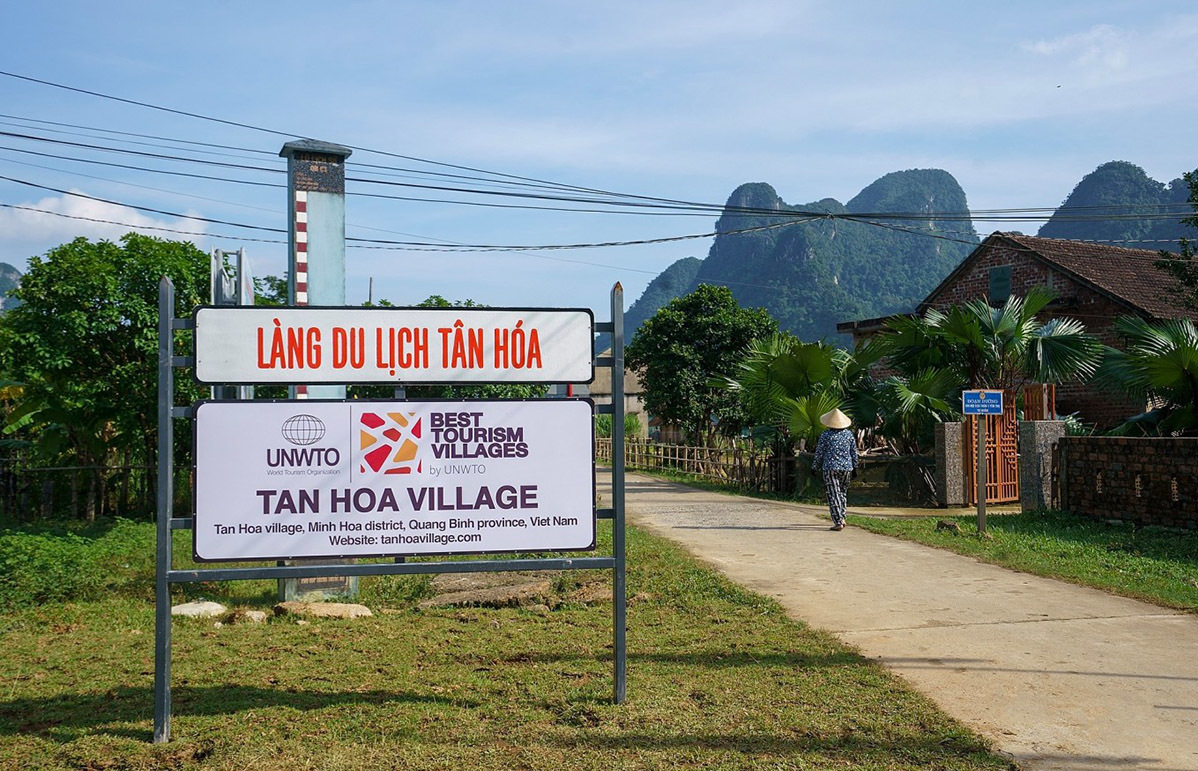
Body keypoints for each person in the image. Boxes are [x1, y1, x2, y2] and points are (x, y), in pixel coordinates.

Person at [811, 408, 858, 531]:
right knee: (842, 493)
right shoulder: (849, 435)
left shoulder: (826, 435)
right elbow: (854, 452)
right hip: (847, 468)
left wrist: (814, 467)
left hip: (830, 468)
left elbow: (819, 453)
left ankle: (838, 521)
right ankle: (842, 517)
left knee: (833, 494)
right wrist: (855, 467)